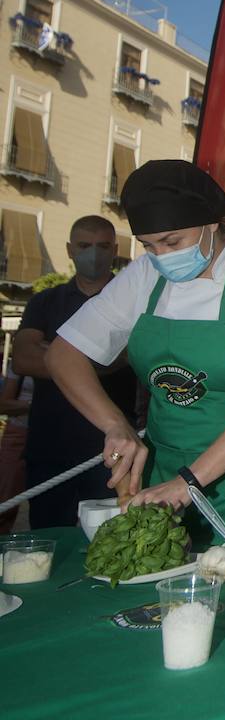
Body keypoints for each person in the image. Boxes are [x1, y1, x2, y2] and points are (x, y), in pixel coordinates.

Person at [44, 161, 225, 553]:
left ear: (211, 222)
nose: (161, 257)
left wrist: (188, 482)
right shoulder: (144, 276)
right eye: (149, 246)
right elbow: (63, 354)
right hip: (165, 471)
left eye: (172, 242)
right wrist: (115, 424)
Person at [12, 216, 138, 530]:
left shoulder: (132, 302)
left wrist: (58, 352)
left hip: (112, 450)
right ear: (70, 250)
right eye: (84, 245)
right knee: (49, 539)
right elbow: (23, 359)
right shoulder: (44, 301)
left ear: (115, 250)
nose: (93, 253)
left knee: (112, 540)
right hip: (50, 448)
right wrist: (88, 357)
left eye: (102, 246)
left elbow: (124, 358)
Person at [0, 365, 32, 534]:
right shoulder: (21, 363)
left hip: (54, 435)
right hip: (19, 432)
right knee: (6, 497)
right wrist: (35, 405)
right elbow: (3, 404)